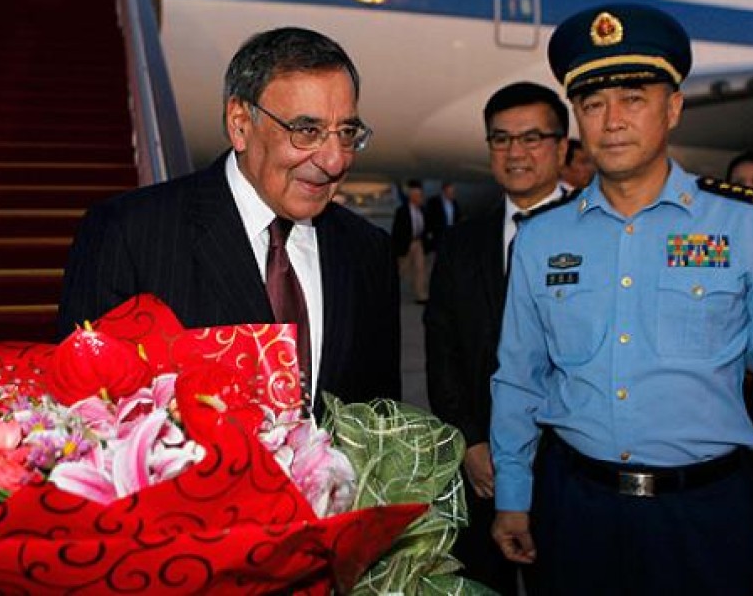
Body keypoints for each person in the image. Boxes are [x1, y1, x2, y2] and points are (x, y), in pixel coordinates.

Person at [490, 3, 753, 596]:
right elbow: (518, 379)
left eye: (633, 98)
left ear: (674, 108)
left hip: (707, 515)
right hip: (575, 511)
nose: (611, 121)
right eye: (592, 104)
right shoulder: (541, 238)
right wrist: (513, 495)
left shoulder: (747, 225)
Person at [58, 26, 402, 417]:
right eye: (308, 131)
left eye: (346, 132)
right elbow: (87, 416)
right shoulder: (129, 234)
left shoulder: (366, 251)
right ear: (240, 123)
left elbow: (380, 420)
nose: (334, 160)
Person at [424, 81, 568, 595]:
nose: (515, 152)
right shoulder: (461, 243)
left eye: (532, 138)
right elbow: (441, 350)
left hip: (572, 474)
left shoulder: (597, 233)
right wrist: (469, 441)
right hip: (482, 471)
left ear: (563, 147)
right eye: (501, 139)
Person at [392, 179, 431, 303]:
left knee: (420, 269)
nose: (421, 198)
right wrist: (396, 247)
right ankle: (390, 292)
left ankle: (421, 295)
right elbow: (397, 230)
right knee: (402, 270)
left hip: (418, 242)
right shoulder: (402, 211)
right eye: (418, 196)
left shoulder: (423, 211)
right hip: (406, 243)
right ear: (412, 197)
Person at [425, 180, 461, 253]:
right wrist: (429, 232)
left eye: (453, 192)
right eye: (450, 192)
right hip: (439, 234)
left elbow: (457, 217)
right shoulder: (434, 202)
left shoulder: (454, 203)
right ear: (444, 191)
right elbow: (429, 217)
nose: (453, 194)